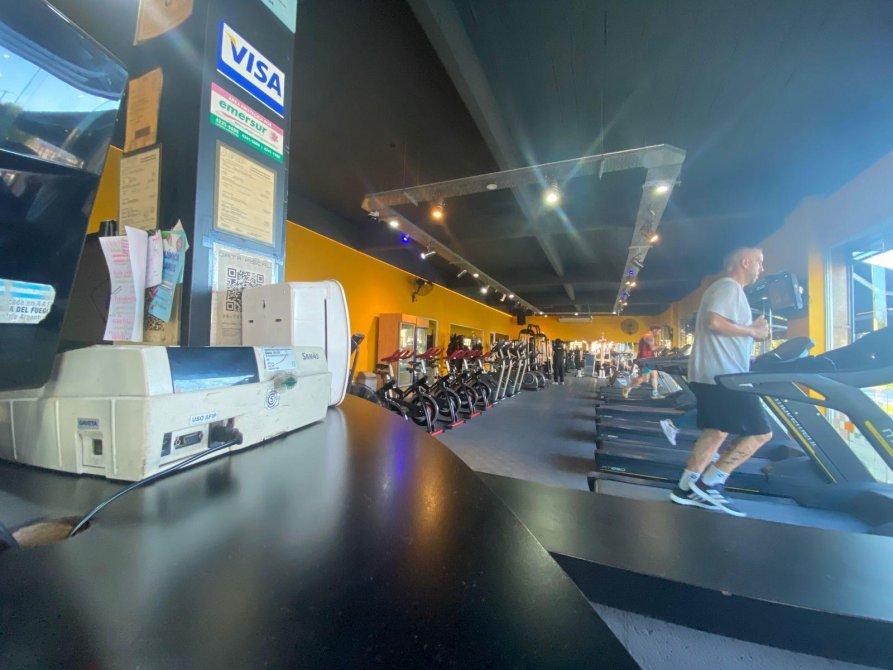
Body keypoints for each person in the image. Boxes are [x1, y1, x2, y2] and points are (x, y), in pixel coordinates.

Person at [669, 247, 772, 517]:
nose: (761, 268)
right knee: (761, 433)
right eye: (759, 262)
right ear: (745, 262)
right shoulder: (729, 287)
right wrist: (754, 331)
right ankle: (709, 484)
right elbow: (714, 322)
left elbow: (718, 328)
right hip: (724, 377)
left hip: (713, 375)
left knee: (716, 432)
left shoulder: (724, 288)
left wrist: (749, 340)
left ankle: (685, 488)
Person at [621, 327, 664, 399]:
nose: (659, 334)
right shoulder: (649, 336)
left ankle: (655, 394)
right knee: (644, 378)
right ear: (654, 330)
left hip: (649, 360)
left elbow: (652, 349)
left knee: (654, 375)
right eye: (659, 332)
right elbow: (652, 348)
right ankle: (627, 388)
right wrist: (662, 347)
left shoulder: (648, 336)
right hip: (646, 360)